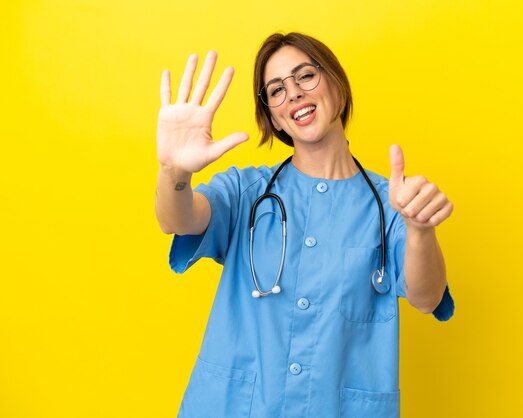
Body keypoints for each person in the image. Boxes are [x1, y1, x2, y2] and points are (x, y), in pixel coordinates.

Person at [155, 32, 455, 418]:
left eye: (305, 76)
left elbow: (426, 297)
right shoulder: (247, 191)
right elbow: (176, 218)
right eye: (276, 89)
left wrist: (420, 229)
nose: (293, 93)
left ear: (336, 84)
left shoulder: (391, 204)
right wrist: (173, 170)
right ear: (272, 114)